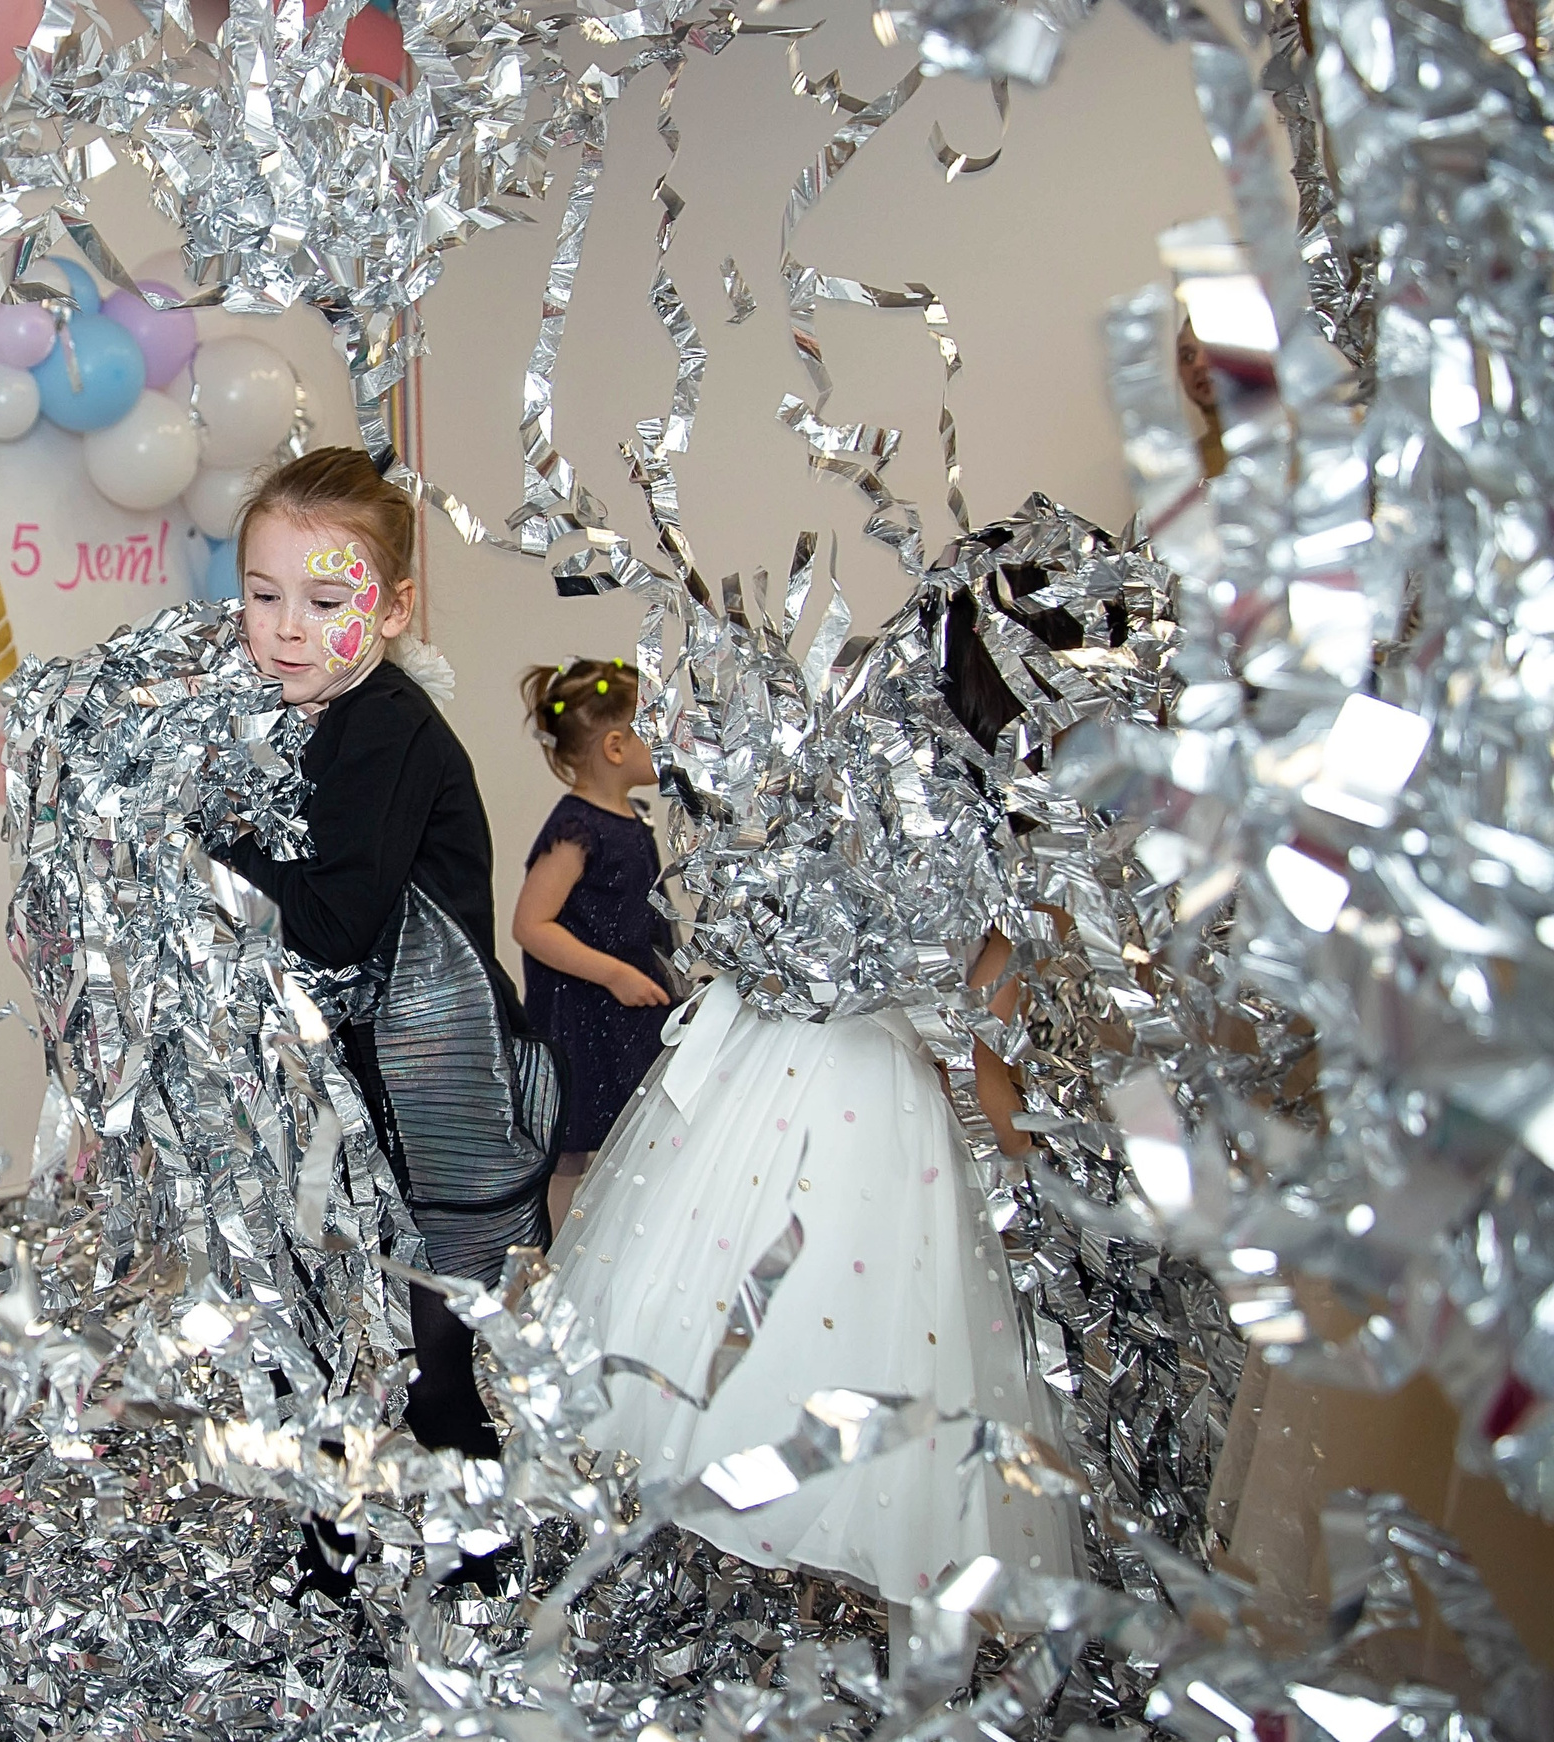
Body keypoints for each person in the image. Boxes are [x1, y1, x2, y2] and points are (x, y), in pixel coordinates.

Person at [549, 587, 1084, 1621]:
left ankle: (700, 1604)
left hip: (760, 1064)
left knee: (710, 1334)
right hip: (871, 1109)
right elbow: (987, 1060)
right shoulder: (1014, 848)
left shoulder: (840, 781)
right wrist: (1043, 1177)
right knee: (861, 1362)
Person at [211, 448, 558, 1597]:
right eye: (263, 596)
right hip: (351, 1081)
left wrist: (204, 836)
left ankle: (479, 1554)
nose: (287, 628)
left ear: (394, 606)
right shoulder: (297, 714)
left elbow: (333, 921)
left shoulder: (387, 726)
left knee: (430, 1343)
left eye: (326, 599)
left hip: (435, 1086)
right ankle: (334, 1550)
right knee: (326, 1324)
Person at [511, 659, 674, 1226]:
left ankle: (621, 1250)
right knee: (570, 1152)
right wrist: (612, 973)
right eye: (655, 726)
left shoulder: (631, 818)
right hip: (583, 1012)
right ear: (613, 746)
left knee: (637, 1139)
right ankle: (551, 1265)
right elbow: (532, 925)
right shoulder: (577, 827)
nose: (670, 739)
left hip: (630, 1009)